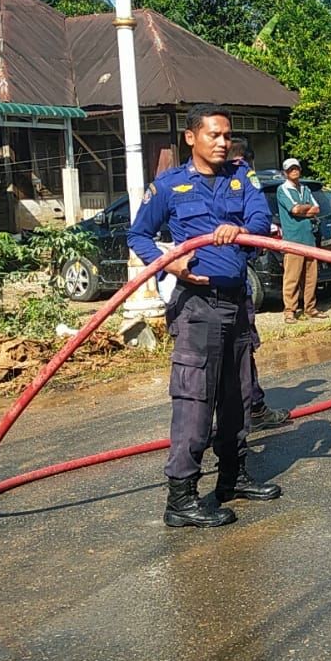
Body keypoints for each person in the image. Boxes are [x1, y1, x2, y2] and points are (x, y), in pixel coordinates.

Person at [128, 104, 280, 529]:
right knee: (196, 401)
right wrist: (168, 262)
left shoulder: (241, 176)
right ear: (191, 138)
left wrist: (242, 231)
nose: (222, 142)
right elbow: (138, 233)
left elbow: (260, 220)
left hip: (236, 302)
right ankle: (181, 497)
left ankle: (233, 476)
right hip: (197, 306)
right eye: (213, 134)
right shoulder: (169, 186)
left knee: (240, 394)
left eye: (227, 135)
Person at [226, 136, 291, 432]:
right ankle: (252, 408)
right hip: (233, 277)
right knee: (240, 348)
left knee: (233, 352)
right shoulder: (242, 176)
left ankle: (246, 409)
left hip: (224, 277)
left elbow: (257, 222)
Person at [276, 157, 323, 322]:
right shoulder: (283, 190)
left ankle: (310, 308)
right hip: (293, 239)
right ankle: (290, 310)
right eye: (290, 169)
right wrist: (305, 209)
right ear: (285, 173)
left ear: (300, 170)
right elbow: (294, 209)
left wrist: (303, 210)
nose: (294, 171)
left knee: (311, 277)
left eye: (296, 168)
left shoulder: (306, 189)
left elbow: (316, 209)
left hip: (309, 238)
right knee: (292, 278)